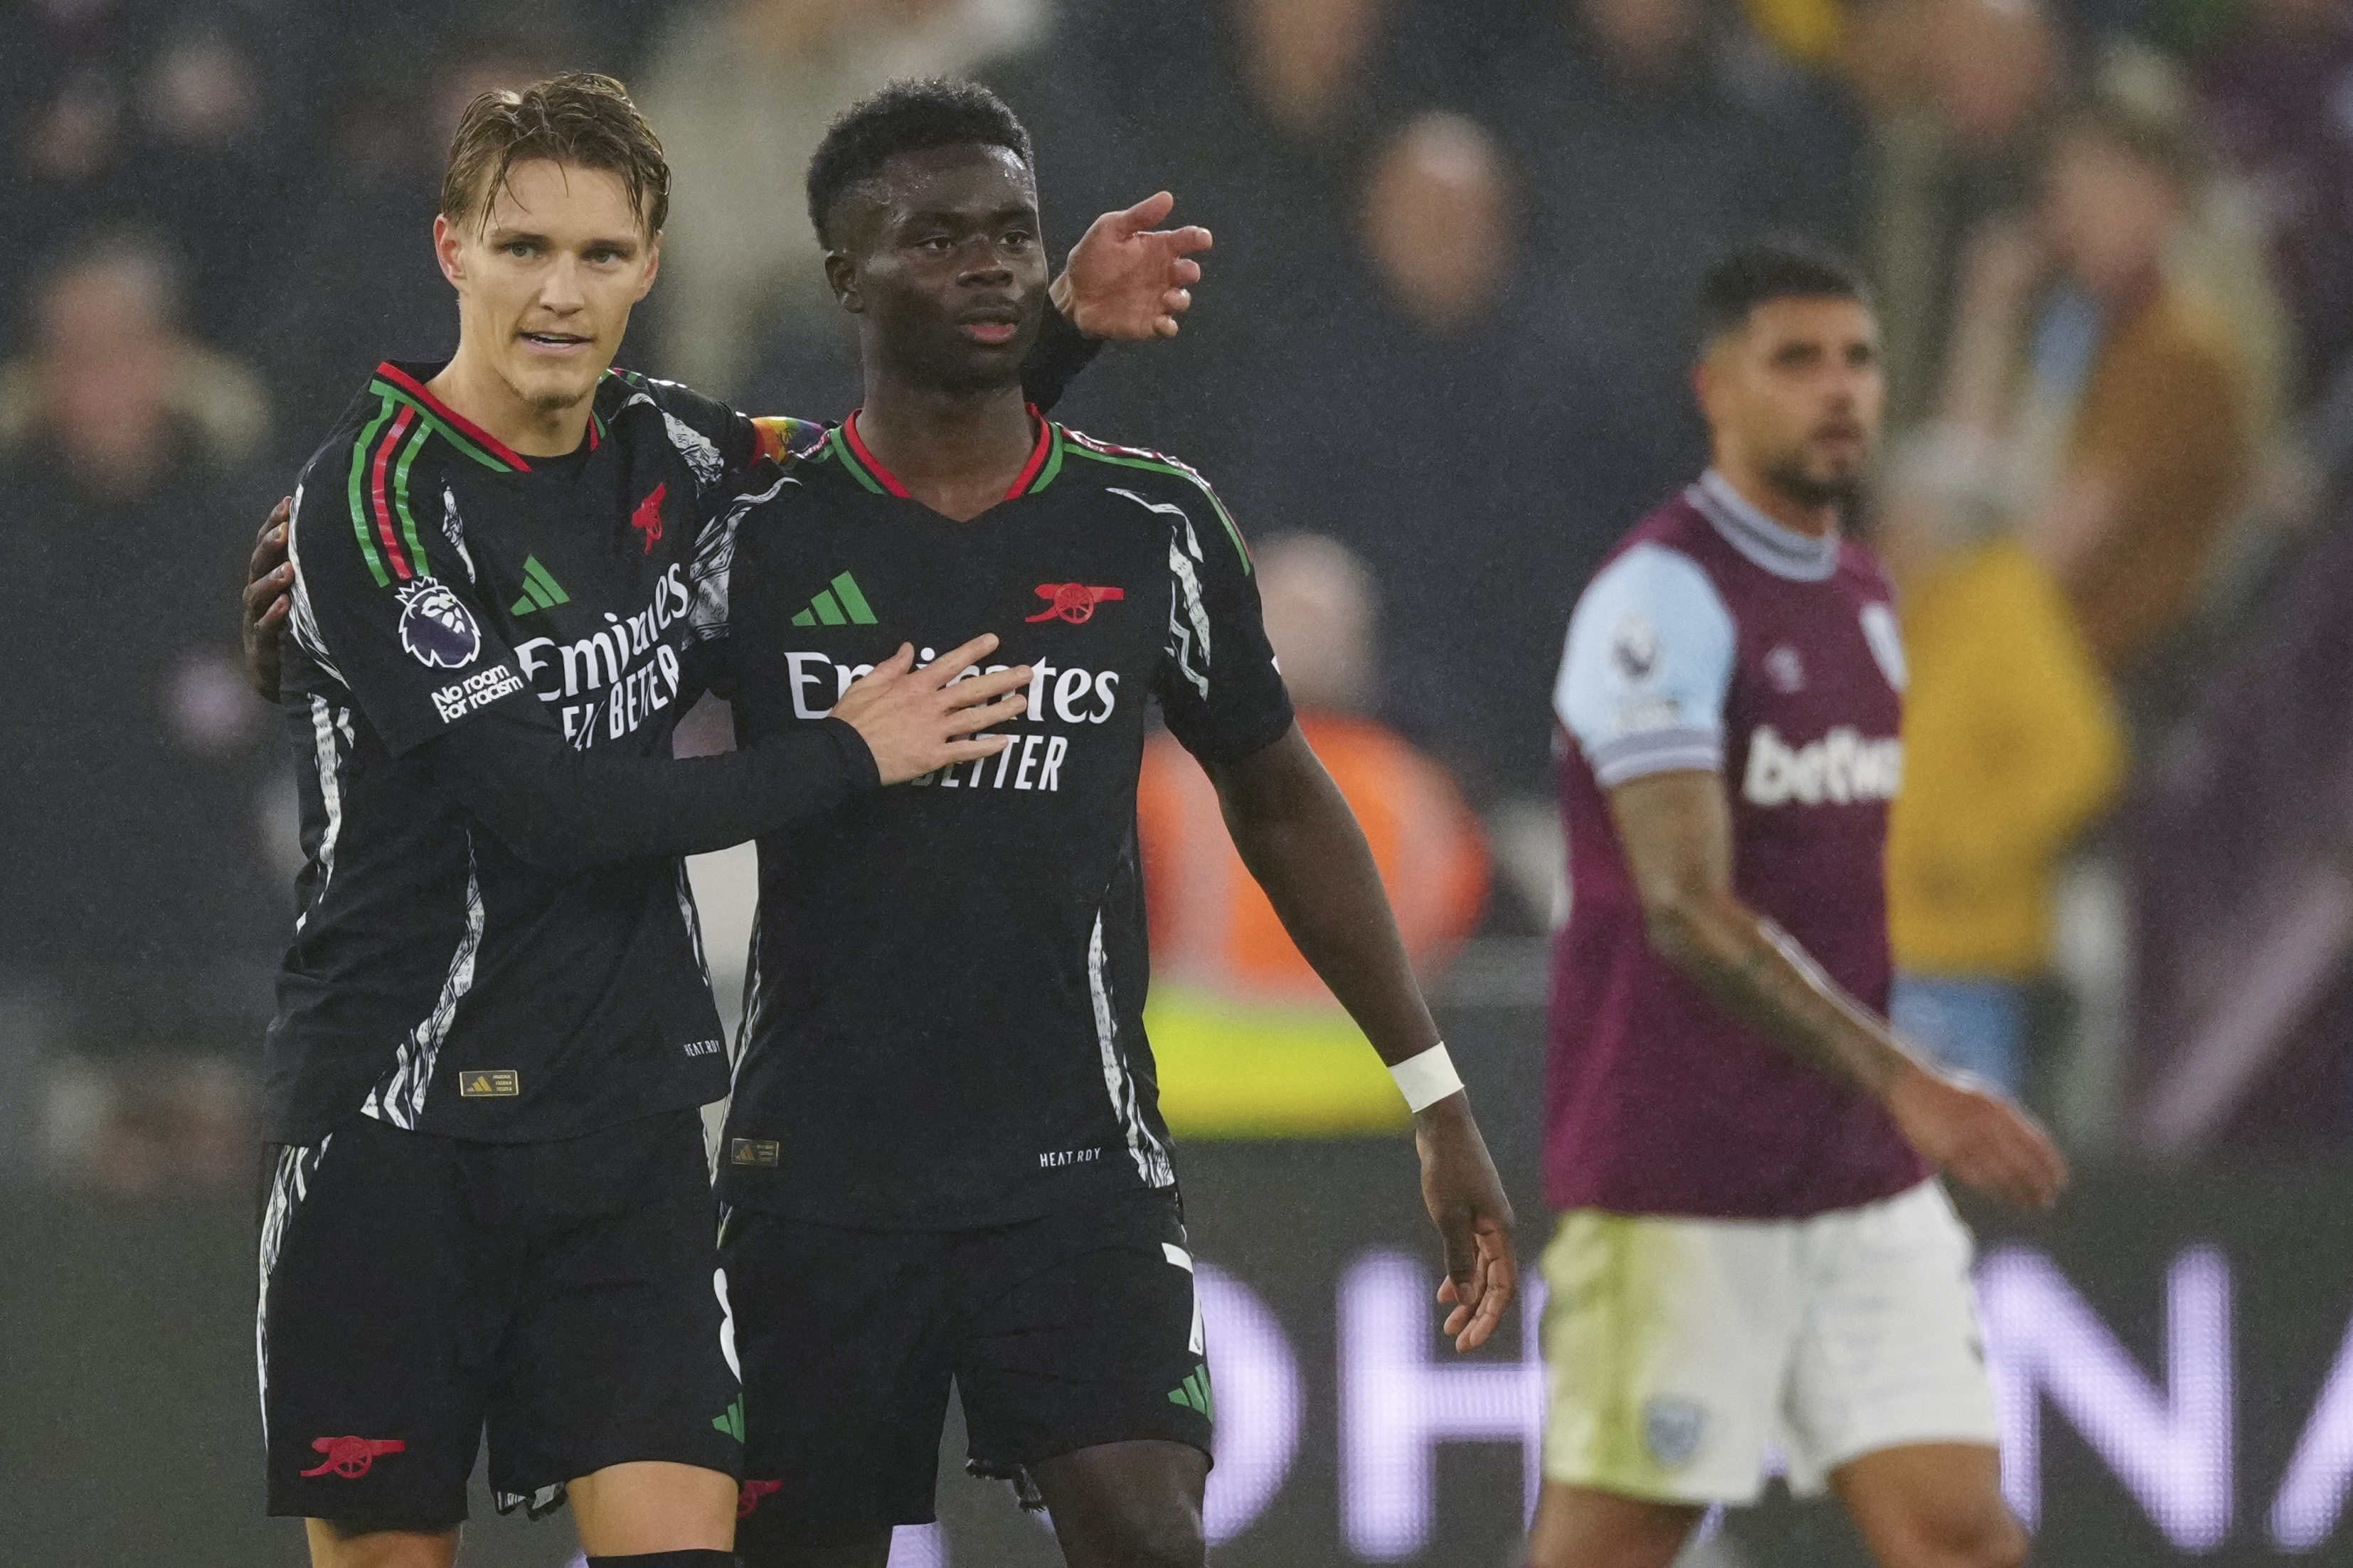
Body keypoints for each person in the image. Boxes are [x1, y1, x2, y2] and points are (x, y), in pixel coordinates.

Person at [243, 71, 1208, 1568]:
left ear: (651, 265)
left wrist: (1053, 328)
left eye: (603, 254)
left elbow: (881, 477)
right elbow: (547, 810)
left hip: (622, 1130)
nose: (561, 292)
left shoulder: (679, 457)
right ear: (452, 252)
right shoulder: (372, 500)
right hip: (396, 1127)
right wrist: (842, 752)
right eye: (523, 249)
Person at [687, 80, 1518, 1568]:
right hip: (815, 1183)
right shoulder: (757, 532)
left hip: (1074, 1173)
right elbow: (576, 742)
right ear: (842, 279)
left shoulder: (1152, 524)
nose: (987, 263)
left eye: (1011, 231)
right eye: (933, 237)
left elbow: (1278, 796)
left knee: (1147, 1530)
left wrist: (1435, 1093)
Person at [1531, 240, 2068, 1568]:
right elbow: (1684, 907)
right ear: (1715, 390)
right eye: (1796, 361)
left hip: (1849, 1178)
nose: (1837, 391)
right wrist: (1905, 1080)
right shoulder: (1657, 601)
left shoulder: (1864, 598)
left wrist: (1876, 1106)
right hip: (1681, 1177)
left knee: (1957, 1537)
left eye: (1857, 360)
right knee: (1611, 1548)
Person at [1136, 533, 1491, 1136]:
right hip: (1365, 1107)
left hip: (1199, 1104)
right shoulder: (1420, 793)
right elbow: (1450, 923)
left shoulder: (1166, 780)